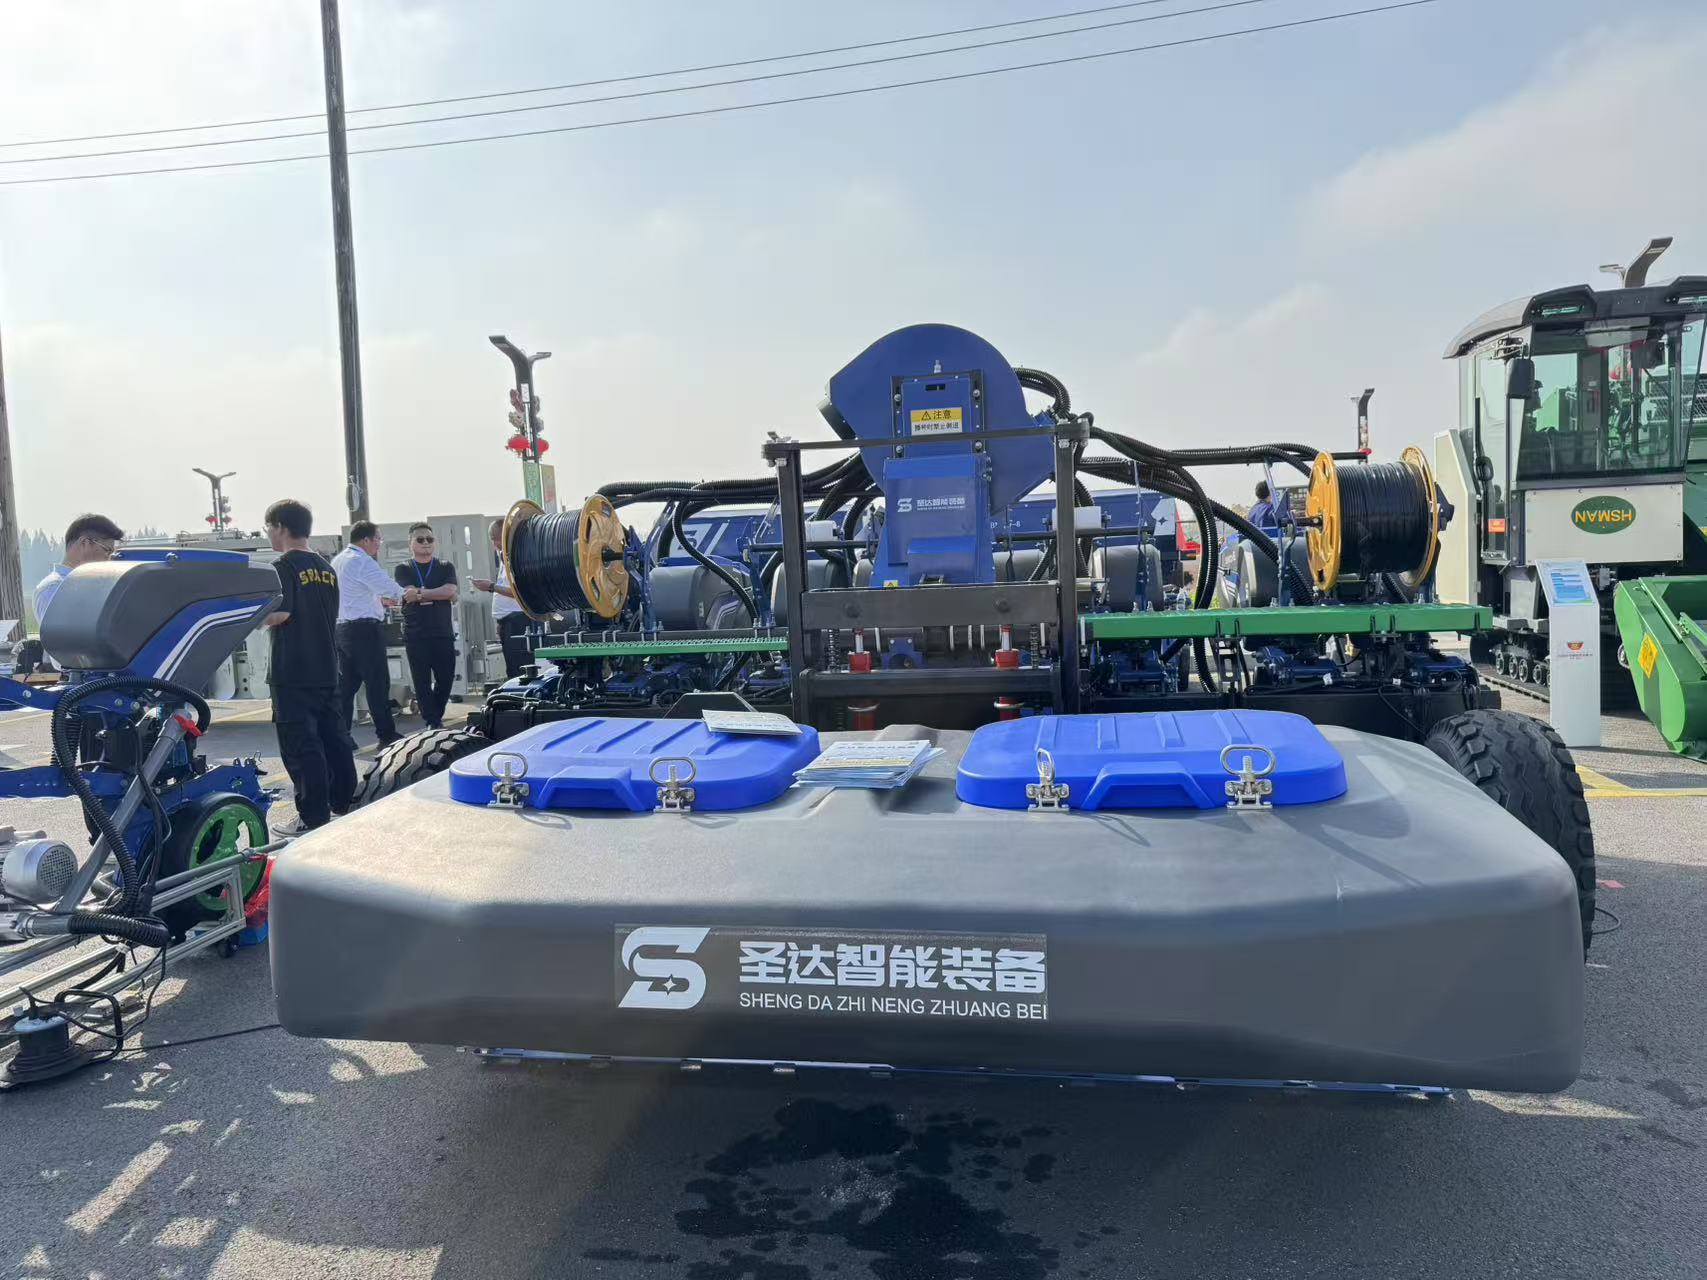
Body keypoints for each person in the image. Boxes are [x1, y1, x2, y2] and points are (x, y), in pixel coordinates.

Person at [263, 499, 356, 834]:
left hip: (293, 669)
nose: (268, 534)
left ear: (280, 527)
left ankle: (312, 817)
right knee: (334, 739)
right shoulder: (325, 567)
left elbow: (281, 613)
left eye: (268, 528)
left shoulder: (282, 566)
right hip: (326, 667)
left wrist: (252, 614)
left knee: (301, 745)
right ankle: (344, 803)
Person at [331, 520, 402, 746]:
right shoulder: (361, 561)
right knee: (377, 683)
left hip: (342, 629)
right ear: (366, 540)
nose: (379, 544)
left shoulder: (338, 560)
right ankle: (386, 734)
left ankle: (341, 736)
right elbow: (390, 588)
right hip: (364, 630)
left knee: (347, 686)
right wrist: (411, 594)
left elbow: (354, 595)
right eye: (378, 539)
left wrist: (379, 601)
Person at [394, 522, 459, 730]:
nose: (425, 543)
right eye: (420, 539)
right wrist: (439, 594)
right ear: (410, 543)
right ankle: (433, 721)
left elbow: (450, 591)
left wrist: (421, 594)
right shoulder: (403, 568)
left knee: (445, 678)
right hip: (416, 634)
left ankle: (435, 715)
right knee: (421, 681)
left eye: (429, 539)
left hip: (442, 632)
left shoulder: (445, 566)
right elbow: (408, 593)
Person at [33, 513, 124, 632]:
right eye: (107, 550)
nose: (109, 558)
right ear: (84, 542)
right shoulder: (54, 589)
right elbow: (64, 637)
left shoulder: (87, 586)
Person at [471, 518, 528, 680]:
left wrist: (490, 586)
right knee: (512, 667)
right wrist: (501, 621)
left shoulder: (517, 557)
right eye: (493, 539)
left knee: (518, 669)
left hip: (517, 621)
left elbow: (518, 591)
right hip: (508, 622)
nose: (495, 544)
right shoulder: (504, 556)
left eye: (496, 538)